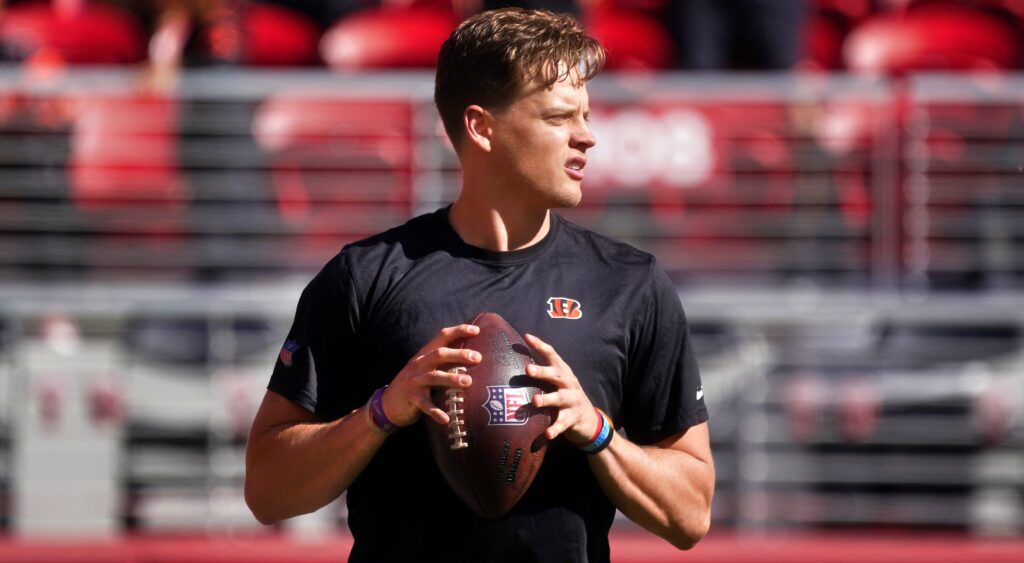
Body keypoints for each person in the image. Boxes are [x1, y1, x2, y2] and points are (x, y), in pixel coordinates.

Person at [244, 8, 714, 561]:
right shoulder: (364, 276)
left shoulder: (631, 283)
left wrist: (596, 430)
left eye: (586, 115)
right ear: (480, 126)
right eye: (560, 117)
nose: (587, 137)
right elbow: (267, 490)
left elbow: (690, 515)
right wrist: (383, 412)